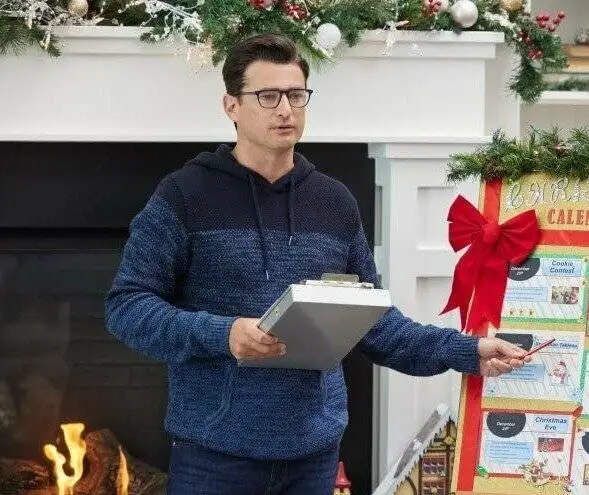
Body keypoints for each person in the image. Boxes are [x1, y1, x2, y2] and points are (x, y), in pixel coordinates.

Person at [105, 33, 530, 495]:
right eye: (267, 96)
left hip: (314, 460)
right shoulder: (184, 195)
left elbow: (376, 324)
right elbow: (127, 307)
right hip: (213, 460)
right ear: (231, 106)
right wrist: (223, 334)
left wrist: (468, 351)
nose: (285, 109)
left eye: (295, 95)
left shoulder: (335, 202)